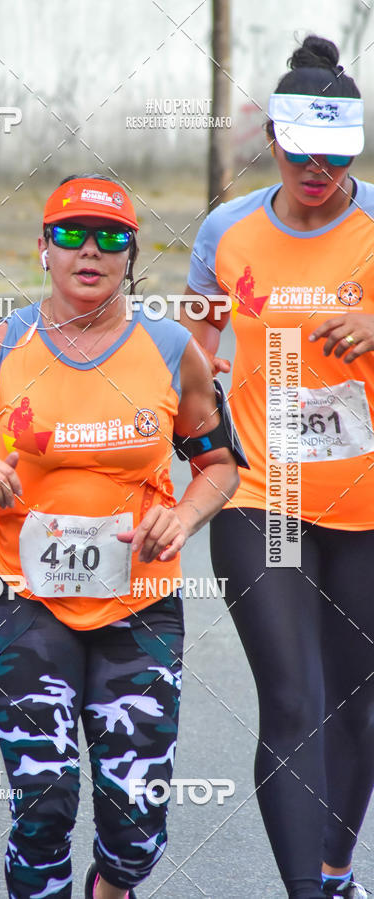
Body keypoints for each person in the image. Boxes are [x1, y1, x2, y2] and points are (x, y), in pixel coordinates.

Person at [0, 175, 241, 899]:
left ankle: (113, 882)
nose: (89, 251)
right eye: (70, 235)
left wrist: (182, 517)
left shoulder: (170, 350)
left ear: (132, 255)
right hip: (24, 599)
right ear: (43, 250)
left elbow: (219, 465)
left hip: (140, 603)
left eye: (110, 237)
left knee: (136, 827)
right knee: (43, 804)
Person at [183, 34, 374, 899]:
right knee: (295, 700)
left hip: (368, 506)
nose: (318, 172)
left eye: (336, 158)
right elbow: (193, 340)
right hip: (266, 497)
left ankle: (335, 870)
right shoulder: (227, 229)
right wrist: (196, 396)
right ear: (274, 141)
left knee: (359, 711)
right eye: (302, 154)